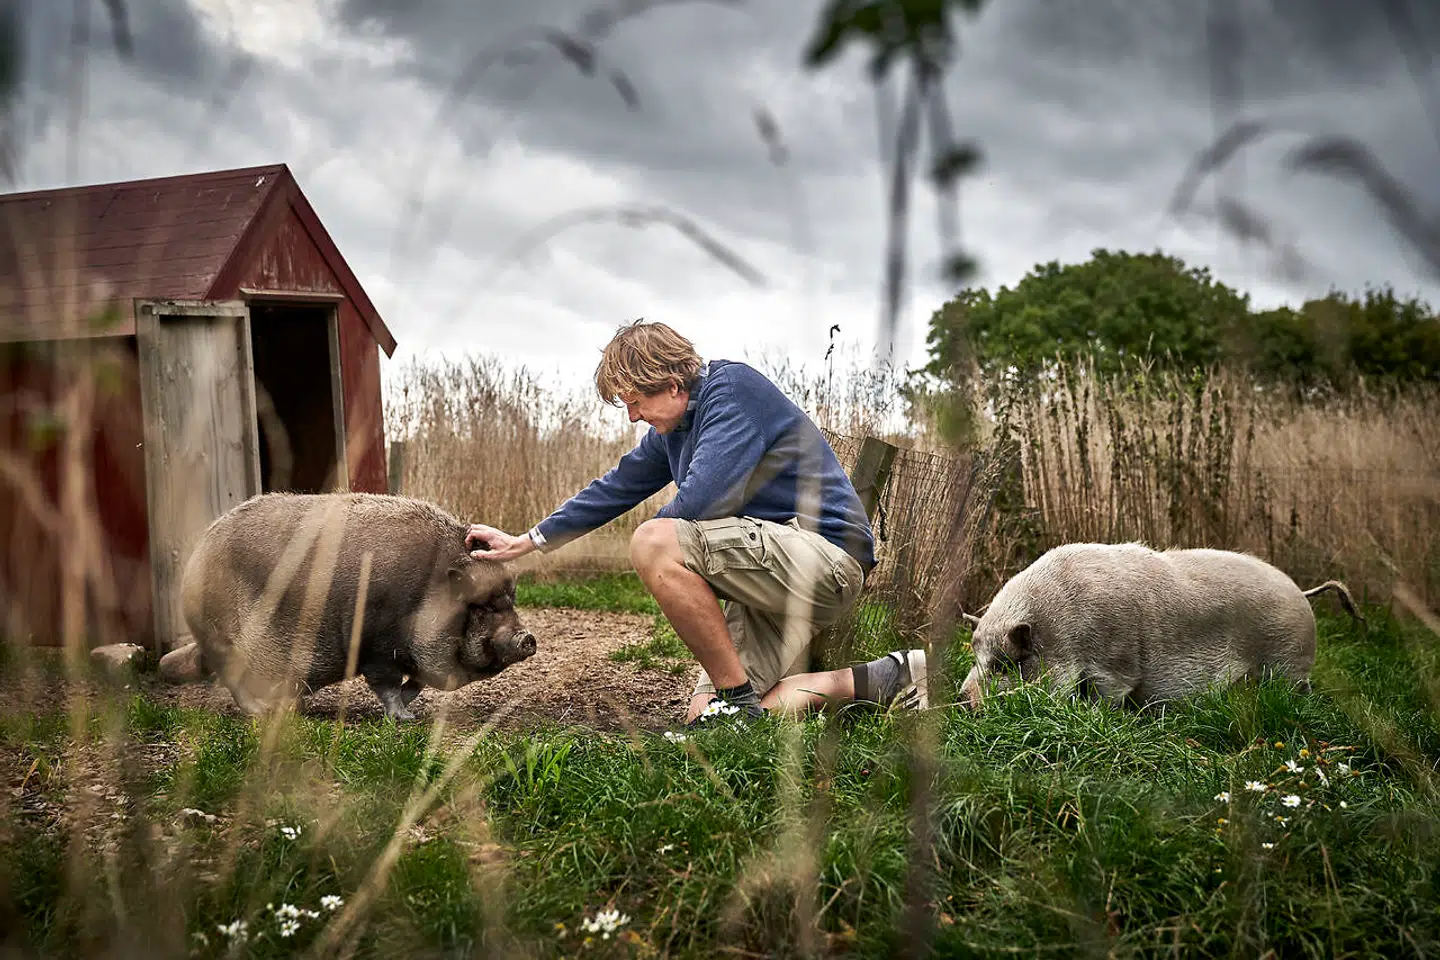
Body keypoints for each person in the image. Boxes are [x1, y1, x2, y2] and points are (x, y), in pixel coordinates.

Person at [465, 319, 927, 728]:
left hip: (825, 557)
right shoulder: (673, 431)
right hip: (769, 578)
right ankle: (881, 677)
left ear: (670, 382)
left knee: (654, 541)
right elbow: (615, 487)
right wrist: (525, 542)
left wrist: (665, 561)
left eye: (636, 400)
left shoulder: (733, 392)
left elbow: (702, 501)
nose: (633, 416)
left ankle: (736, 696)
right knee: (707, 720)